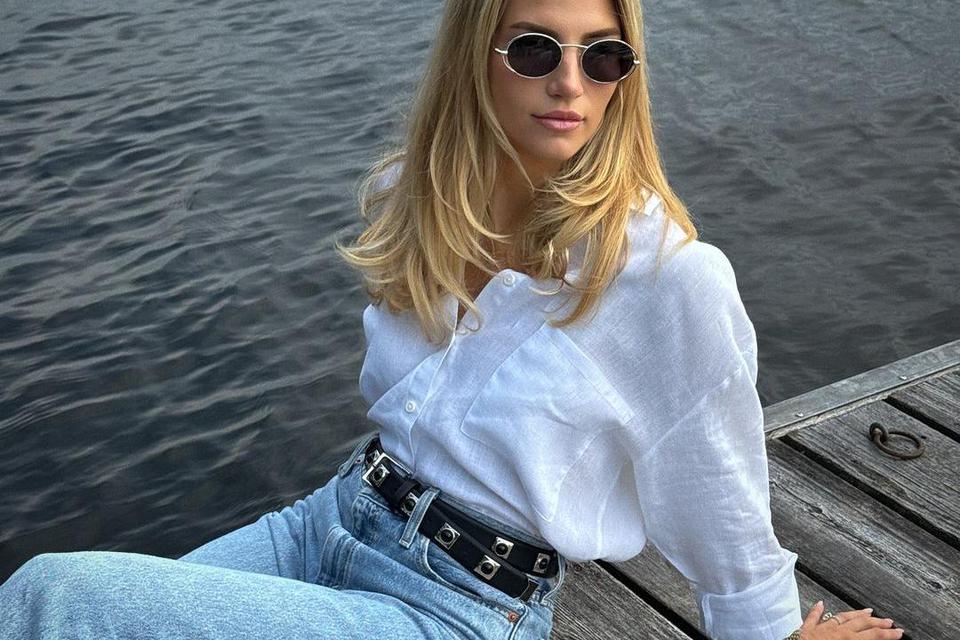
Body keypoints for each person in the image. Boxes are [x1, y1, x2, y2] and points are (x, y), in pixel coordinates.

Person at [0, 1, 904, 639]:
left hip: (453, 608)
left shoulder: (669, 280)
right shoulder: (424, 199)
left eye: (603, 57)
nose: (571, 82)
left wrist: (771, 631)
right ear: (479, 55)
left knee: (53, 601)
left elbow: (716, 484)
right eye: (536, 50)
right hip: (326, 522)